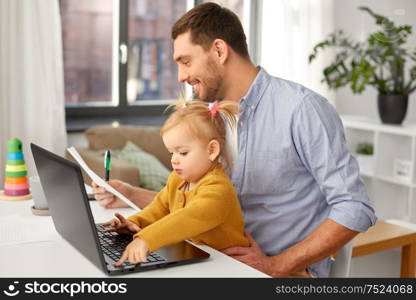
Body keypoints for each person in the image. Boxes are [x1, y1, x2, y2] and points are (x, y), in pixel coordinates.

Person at [93, 2, 376, 277]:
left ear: (218, 50)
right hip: (215, 262)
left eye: (186, 61)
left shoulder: (302, 109)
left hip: (281, 274)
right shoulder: (209, 119)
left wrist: (276, 265)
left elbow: (355, 208)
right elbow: (201, 207)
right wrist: (129, 195)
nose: (181, 76)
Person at [99, 99, 249, 266]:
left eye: (183, 153)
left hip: (229, 265)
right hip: (198, 257)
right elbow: (160, 207)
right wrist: (135, 222)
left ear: (211, 151)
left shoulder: (219, 190)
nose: (174, 160)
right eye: (172, 153)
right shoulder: (177, 179)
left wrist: (146, 240)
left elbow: (187, 218)